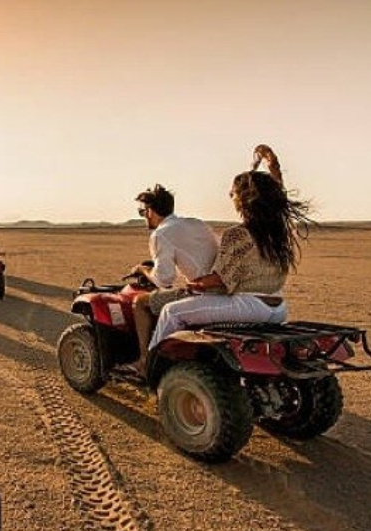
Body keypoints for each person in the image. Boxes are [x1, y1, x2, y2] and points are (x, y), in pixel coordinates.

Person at [150, 144, 313, 346]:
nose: (230, 196)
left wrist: (195, 284)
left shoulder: (237, 234)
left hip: (249, 307)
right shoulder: (278, 230)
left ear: (245, 199)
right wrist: (273, 168)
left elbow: (220, 279)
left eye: (233, 193)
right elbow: (276, 196)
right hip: (278, 309)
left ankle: (151, 367)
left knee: (171, 312)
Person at [129, 184, 219, 372]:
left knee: (140, 303)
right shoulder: (197, 223)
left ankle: (145, 361)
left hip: (203, 293)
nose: (143, 216)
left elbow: (164, 280)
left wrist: (143, 270)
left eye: (142, 211)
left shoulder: (161, 233)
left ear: (150, 211)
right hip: (222, 286)